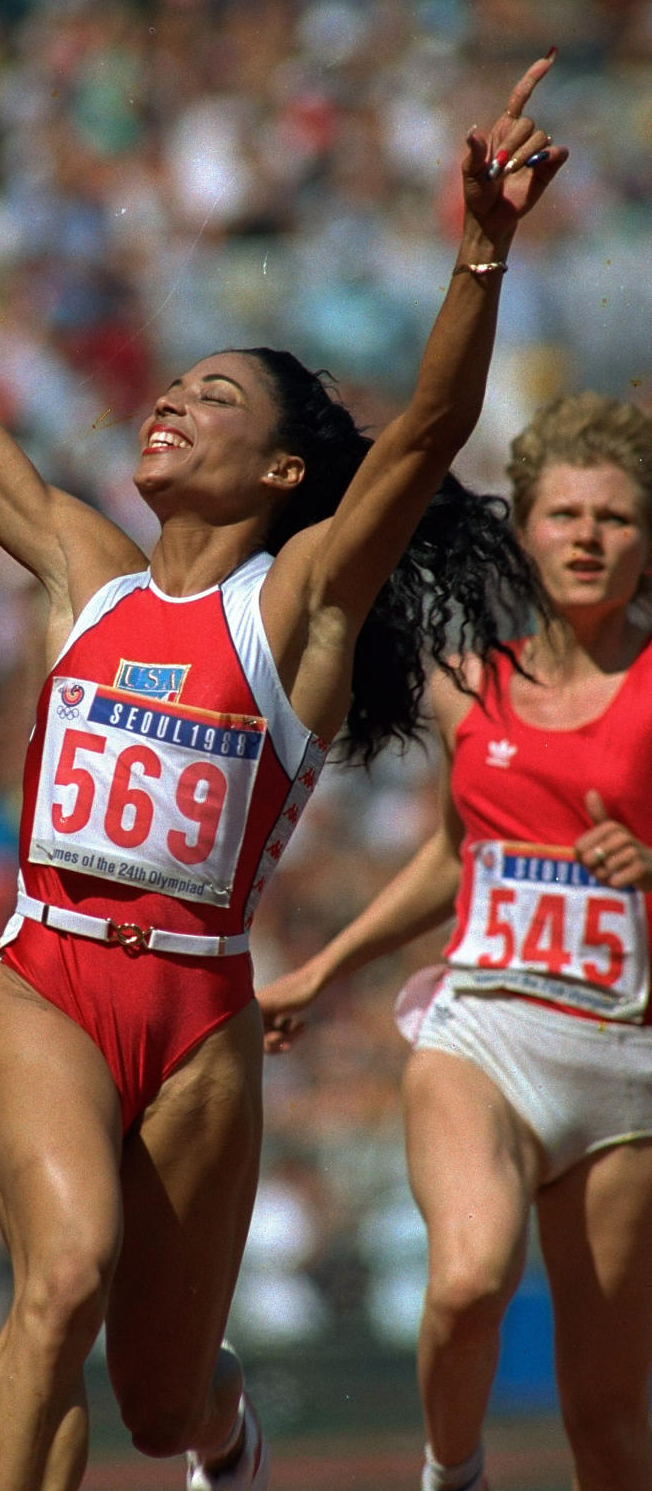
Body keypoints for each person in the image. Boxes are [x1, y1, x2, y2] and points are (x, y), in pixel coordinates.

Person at [0, 0, 565, 1491]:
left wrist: (481, 250)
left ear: (276, 468)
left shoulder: (302, 615)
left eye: (211, 398)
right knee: (60, 1276)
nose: (168, 402)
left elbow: (418, 443)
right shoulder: (84, 568)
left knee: (158, 1402)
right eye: (170, 384)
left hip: (200, 1017)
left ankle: (231, 1436)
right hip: (47, 971)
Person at [258, 391, 652, 1491]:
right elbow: (452, 855)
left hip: (627, 1063)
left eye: (615, 518)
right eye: (565, 513)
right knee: (469, 1280)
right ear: (526, 531)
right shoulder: (477, 685)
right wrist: (326, 969)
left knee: (610, 1422)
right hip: (484, 1024)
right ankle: (453, 1472)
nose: (587, 536)